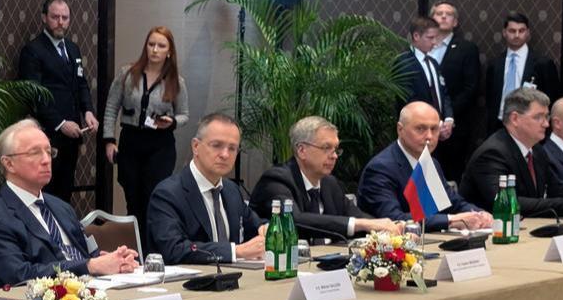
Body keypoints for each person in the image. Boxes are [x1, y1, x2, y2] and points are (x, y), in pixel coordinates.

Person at [0, 119, 137, 288]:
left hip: (92, 293)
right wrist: (91, 266)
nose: (46, 160)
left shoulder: (61, 207)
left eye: (49, 152)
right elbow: (20, 275)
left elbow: (88, 254)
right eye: (35, 153)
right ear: (8, 163)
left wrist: (115, 261)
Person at [249, 116, 404, 241]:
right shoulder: (276, 180)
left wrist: (390, 228)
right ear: (301, 150)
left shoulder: (329, 183)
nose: (334, 155)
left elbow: (358, 217)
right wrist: (361, 224)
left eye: (335, 149)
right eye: (326, 148)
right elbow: (293, 221)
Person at [101, 26, 189, 243]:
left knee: (154, 196)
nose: (155, 50)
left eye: (161, 46)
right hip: (131, 140)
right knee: (133, 197)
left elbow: (185, 114)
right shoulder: (127, 73)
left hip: (160, 144)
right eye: (151, 44)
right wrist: (109, 140)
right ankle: (134, 248)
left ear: (169, 51)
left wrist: (172, 122)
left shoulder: (176, 80)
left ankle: (154, 249)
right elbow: (111, 108)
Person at [146, 113, 266, 265]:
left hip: (232, 281)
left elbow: (256, 226)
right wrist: (235, 251)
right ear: (196, 146)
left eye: (232, 148)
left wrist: (267, 229)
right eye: (217, 145)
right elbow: (173, 249)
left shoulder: (231, 191)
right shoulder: (168, 194)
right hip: (186, 284)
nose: (225, 155)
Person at [460, 88, 563, 219]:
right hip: (491, 234)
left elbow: (558, 191)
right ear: (515, 119)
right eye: (539, 117)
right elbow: (507, 203)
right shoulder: (493, 153)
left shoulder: (537, 150)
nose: (546, 124)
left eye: (546, 117)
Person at [357, 102, 493, 231]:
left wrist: (479, 214)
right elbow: (395, 219)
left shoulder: (430, 163)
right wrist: (451, 220)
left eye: (434, 129)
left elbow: (453, 203)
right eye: (420, 129)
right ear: (400, 129)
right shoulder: (380, 168)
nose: (429, 136)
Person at [17, 0, 98, 202]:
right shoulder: (33, 51)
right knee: (47, 193)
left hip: (73, 135)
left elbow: (81, 84)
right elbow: (34, 96)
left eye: (65, 17)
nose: (60, 22)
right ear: (44, 18)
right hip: (47, 135)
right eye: (55, 17)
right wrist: (60, 123)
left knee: (65, 192)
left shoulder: (73, 49)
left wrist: (87, 111)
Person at [428, 1, 482, 180]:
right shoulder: (422, 49)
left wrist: (446, 116)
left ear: (455, 22)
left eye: (448, 14)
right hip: (425, 124)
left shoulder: (467, 49)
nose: (443, 16)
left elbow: (470, 88)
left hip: (454, 126)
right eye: (439, 13)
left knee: (450, 176)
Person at [484, 13, 559, 134]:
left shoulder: (543, 64)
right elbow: (490, 97)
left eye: (521, 31)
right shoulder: (495, 63)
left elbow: (552, 98)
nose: (517, 35)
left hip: (529, 125)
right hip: (498, 125)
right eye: (512, 31)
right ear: (504, 33)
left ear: (528, 33)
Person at [395, 15, 454, 138]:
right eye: (430, 38)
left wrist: (448, 118)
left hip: (439, 131)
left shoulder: (433, 63)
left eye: (435, 38)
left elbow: (443, 93)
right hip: (418, 131)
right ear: (416, 36)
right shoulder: (404, 62)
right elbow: (408, 99)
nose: (434, 42)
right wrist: (435, 123)